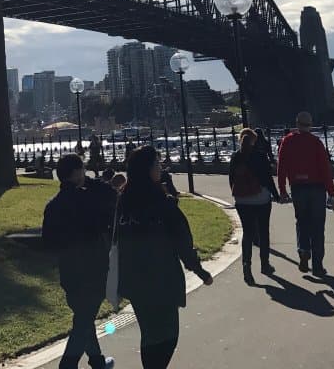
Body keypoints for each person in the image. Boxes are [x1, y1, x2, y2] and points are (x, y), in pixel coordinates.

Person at [118, 145, 213, 369]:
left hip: (133, 279)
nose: (160, 169)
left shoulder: (123, 202)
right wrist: (200, 271)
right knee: (168, 335)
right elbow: (182, 241)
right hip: (161, 278)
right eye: (157, 165)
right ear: (149, 170)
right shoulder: (162, 204)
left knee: (150, 333)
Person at [43, 153, 118, 369]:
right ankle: (68, 364)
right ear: (76, 173)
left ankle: (97, 361)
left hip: (69, 271)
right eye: (83, 169)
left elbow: (49, 243)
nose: (85, 172)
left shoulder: (53, 206)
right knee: (84, 321)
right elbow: (110, 201)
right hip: (94, 269)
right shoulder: (89, 200)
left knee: (84, 317)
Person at [276, 111, 334, 277]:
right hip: (317, 188)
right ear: (310, 125)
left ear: (297, 123)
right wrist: (331, 193)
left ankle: (303, 250)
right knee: (318, 227)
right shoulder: (316, 142)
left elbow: (281, 167)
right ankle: (317, 266)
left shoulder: (287, 141)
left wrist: (282, 190)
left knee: (302, 221)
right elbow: (325, 169)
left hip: (298, 187)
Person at [228, 128, 280, 285]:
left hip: (242, 201)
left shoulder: (235, 157)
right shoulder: (260, 156)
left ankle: (246, 266)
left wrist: (237, 195)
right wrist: (276, 195)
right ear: (254, 141)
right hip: (261, 199)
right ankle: (265, 265)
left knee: (248, 233)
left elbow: (231, 179)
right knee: (263, 231)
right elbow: (267, 179)